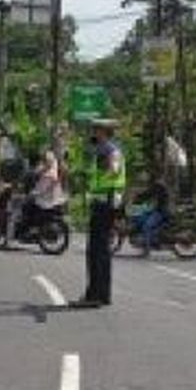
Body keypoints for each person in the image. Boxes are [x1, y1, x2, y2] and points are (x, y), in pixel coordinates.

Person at [74, 120, 125, 308]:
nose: (93, 132)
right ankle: (101, 295)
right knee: (100, 250)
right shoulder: (102, 150)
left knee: (97, 250)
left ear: (104, 131)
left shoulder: (110, 150)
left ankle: (95, 295)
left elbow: (114, 168)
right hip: (103, 202)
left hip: (106, 203)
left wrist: (110, 170)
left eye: (96, 129)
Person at [132, 178, 171, 255]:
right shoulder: (159, 187)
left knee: (146, 226)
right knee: (145, 216)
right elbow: (148, 194)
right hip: (158, 210)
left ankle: (147, 249)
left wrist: (138, 198)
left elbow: (148, 194)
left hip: (161, 212)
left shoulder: (159, 187)